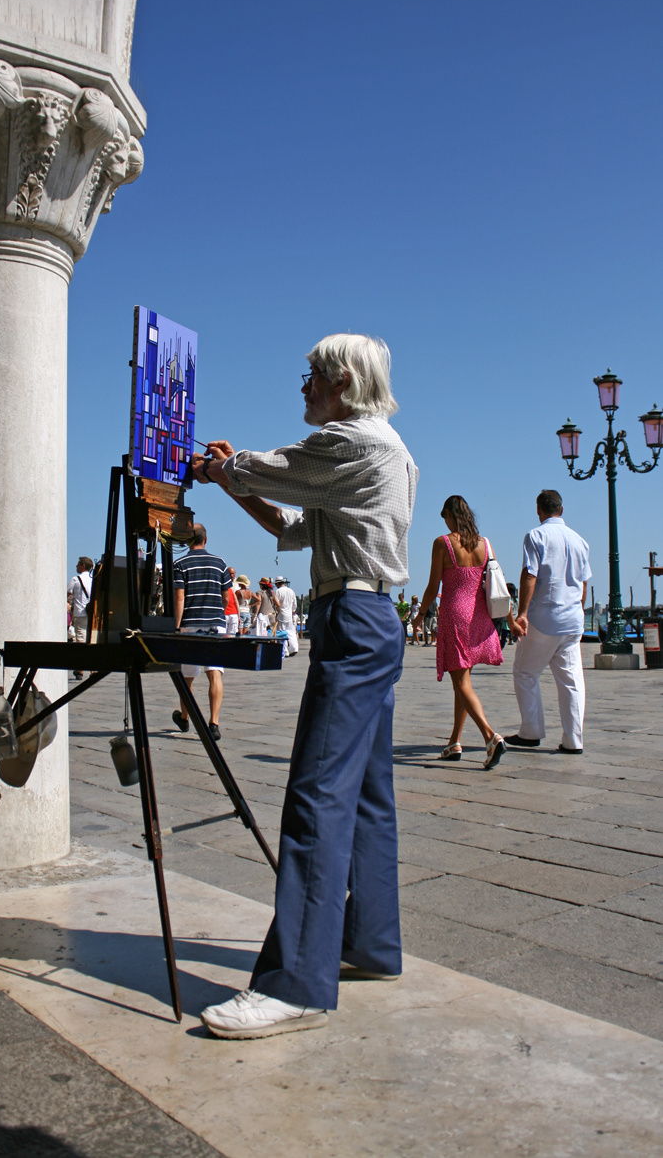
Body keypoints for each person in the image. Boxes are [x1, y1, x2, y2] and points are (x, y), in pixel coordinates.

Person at [191, 332, 417, 1039]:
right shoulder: (388, 449)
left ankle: (295, 980)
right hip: (371, 616)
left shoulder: (351, 443)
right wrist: (236, 481)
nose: (302, 388)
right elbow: (291, 524)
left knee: (317, 790)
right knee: (368, 793)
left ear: (341, 380)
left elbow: (273, 468)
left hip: (350, 618)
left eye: (309, 376)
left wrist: (223, 466)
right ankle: (368, 940)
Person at [412, 496, 505, 768]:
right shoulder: (485, 544)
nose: (444, 522)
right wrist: (510, 619)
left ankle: (491, 737)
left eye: (444, 517)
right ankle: (454, 741)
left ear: (451, 515)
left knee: (461, 683)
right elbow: (497, 582)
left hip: (455, 616)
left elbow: (432, 587)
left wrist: (419, 616)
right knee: (461, 684)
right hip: (479, 617)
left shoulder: (443, 543)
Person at [506, 490, 591, 754]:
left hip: (544, 618)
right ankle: (573, 739)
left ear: (538, 510)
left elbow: (530, 575)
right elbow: (584, 583)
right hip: (573, 619)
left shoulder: (536, 536)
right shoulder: (581, 541)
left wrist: (522, 613)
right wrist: (579, 609)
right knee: (571, 680)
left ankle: (531, 731)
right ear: (561, 510)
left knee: (525, 672)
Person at [172, 523, 232, 741]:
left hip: (190, 622)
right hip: (215, 623)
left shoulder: (180, 563)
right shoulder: (220, 563)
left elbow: (179, 598)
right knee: (214, 673)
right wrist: (218, 612)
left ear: (188, 541)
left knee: (187, 675)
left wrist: (177, 626)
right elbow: (226, 596)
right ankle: (213, 723)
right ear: (206, 540)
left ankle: (185, 717)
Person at [67, 557, 94, 680]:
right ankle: (92, 668)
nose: (76, 567)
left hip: (79, 614)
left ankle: (81, 669)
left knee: (81, 641)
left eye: (78, 564)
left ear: (83, 565)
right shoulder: (94, 579)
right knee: (91, 641)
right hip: (92, 614)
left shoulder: (75, 579)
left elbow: (66, 594)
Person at [274, 575, 299, 656]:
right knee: (291, 632)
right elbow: (294, 604)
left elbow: (277, 604)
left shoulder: (278, 591)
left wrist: (276, 612)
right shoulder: (291, 591)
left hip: (281, 614)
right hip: (289, 615)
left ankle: (285, 651)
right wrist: (292, 612)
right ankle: (294, 648)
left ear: (277, 584)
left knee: (282, 633)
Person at [224, 566, 241, 635]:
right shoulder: (229, 587)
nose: (231, 575)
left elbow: (236, 602)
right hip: (229, 613)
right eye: (230, 574)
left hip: (232, 613)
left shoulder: (236, 585)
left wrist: (238, 615)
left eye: (233, 574)